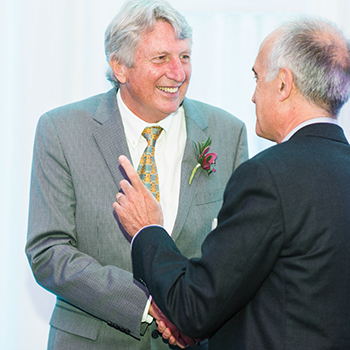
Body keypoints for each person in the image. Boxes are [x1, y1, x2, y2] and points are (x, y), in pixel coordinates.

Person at [114, 17, 350, 349]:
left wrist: (148, 229)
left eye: (256, 78)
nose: (253, 96)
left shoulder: (268, 176)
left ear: (283, 84)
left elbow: (195, 307)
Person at [25, 0, 248, 349]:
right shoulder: (61, 129)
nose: (178, 73)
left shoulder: (227, 132)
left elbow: (238, 251)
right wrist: (149, 305)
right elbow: (48, 251)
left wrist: (192, 306)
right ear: (120, 66)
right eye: (161, 58)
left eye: (185, 57)